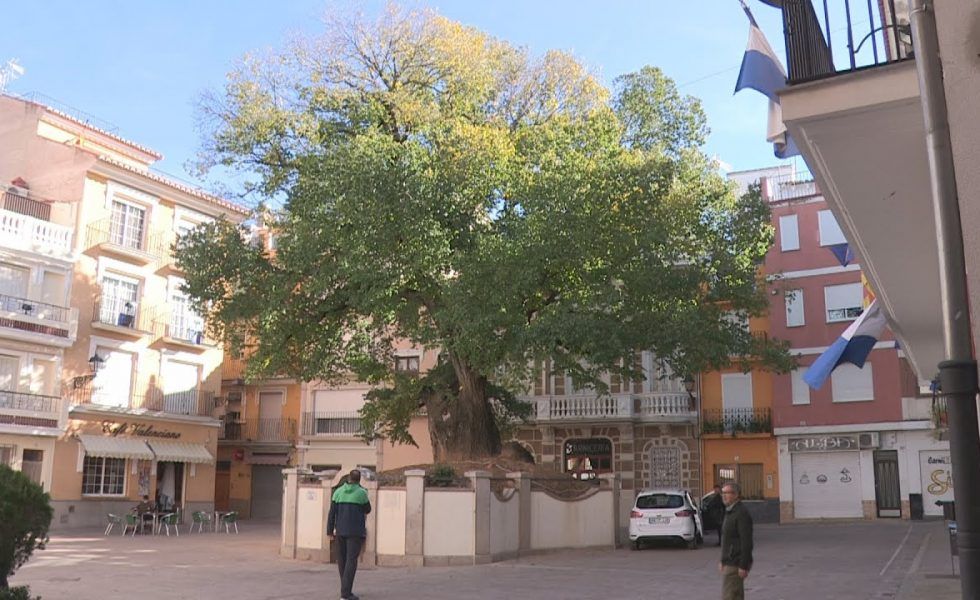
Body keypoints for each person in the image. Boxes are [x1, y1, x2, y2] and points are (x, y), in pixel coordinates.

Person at [327, 469, 372, 600]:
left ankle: (345, 588)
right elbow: (368, 510)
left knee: (342, 560)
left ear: (348, 478)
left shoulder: (338, 492)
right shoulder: (362, 493)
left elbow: (331, 514)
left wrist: (329, 531)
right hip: (355, 533)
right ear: (359, 480)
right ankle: (346, 594)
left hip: (340, 531)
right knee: (351, 561)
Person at [719, 482, 753, 600]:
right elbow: (727, 539)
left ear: (736, 495)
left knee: (729, 596)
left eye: (727, 493)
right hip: (729, 562)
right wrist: (723, 560)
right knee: (735, 596)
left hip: (735, 563)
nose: (724, 496)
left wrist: (744, 565)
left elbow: (746, 542)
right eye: (722, 493)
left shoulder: (741, 513)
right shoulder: (730, 511)